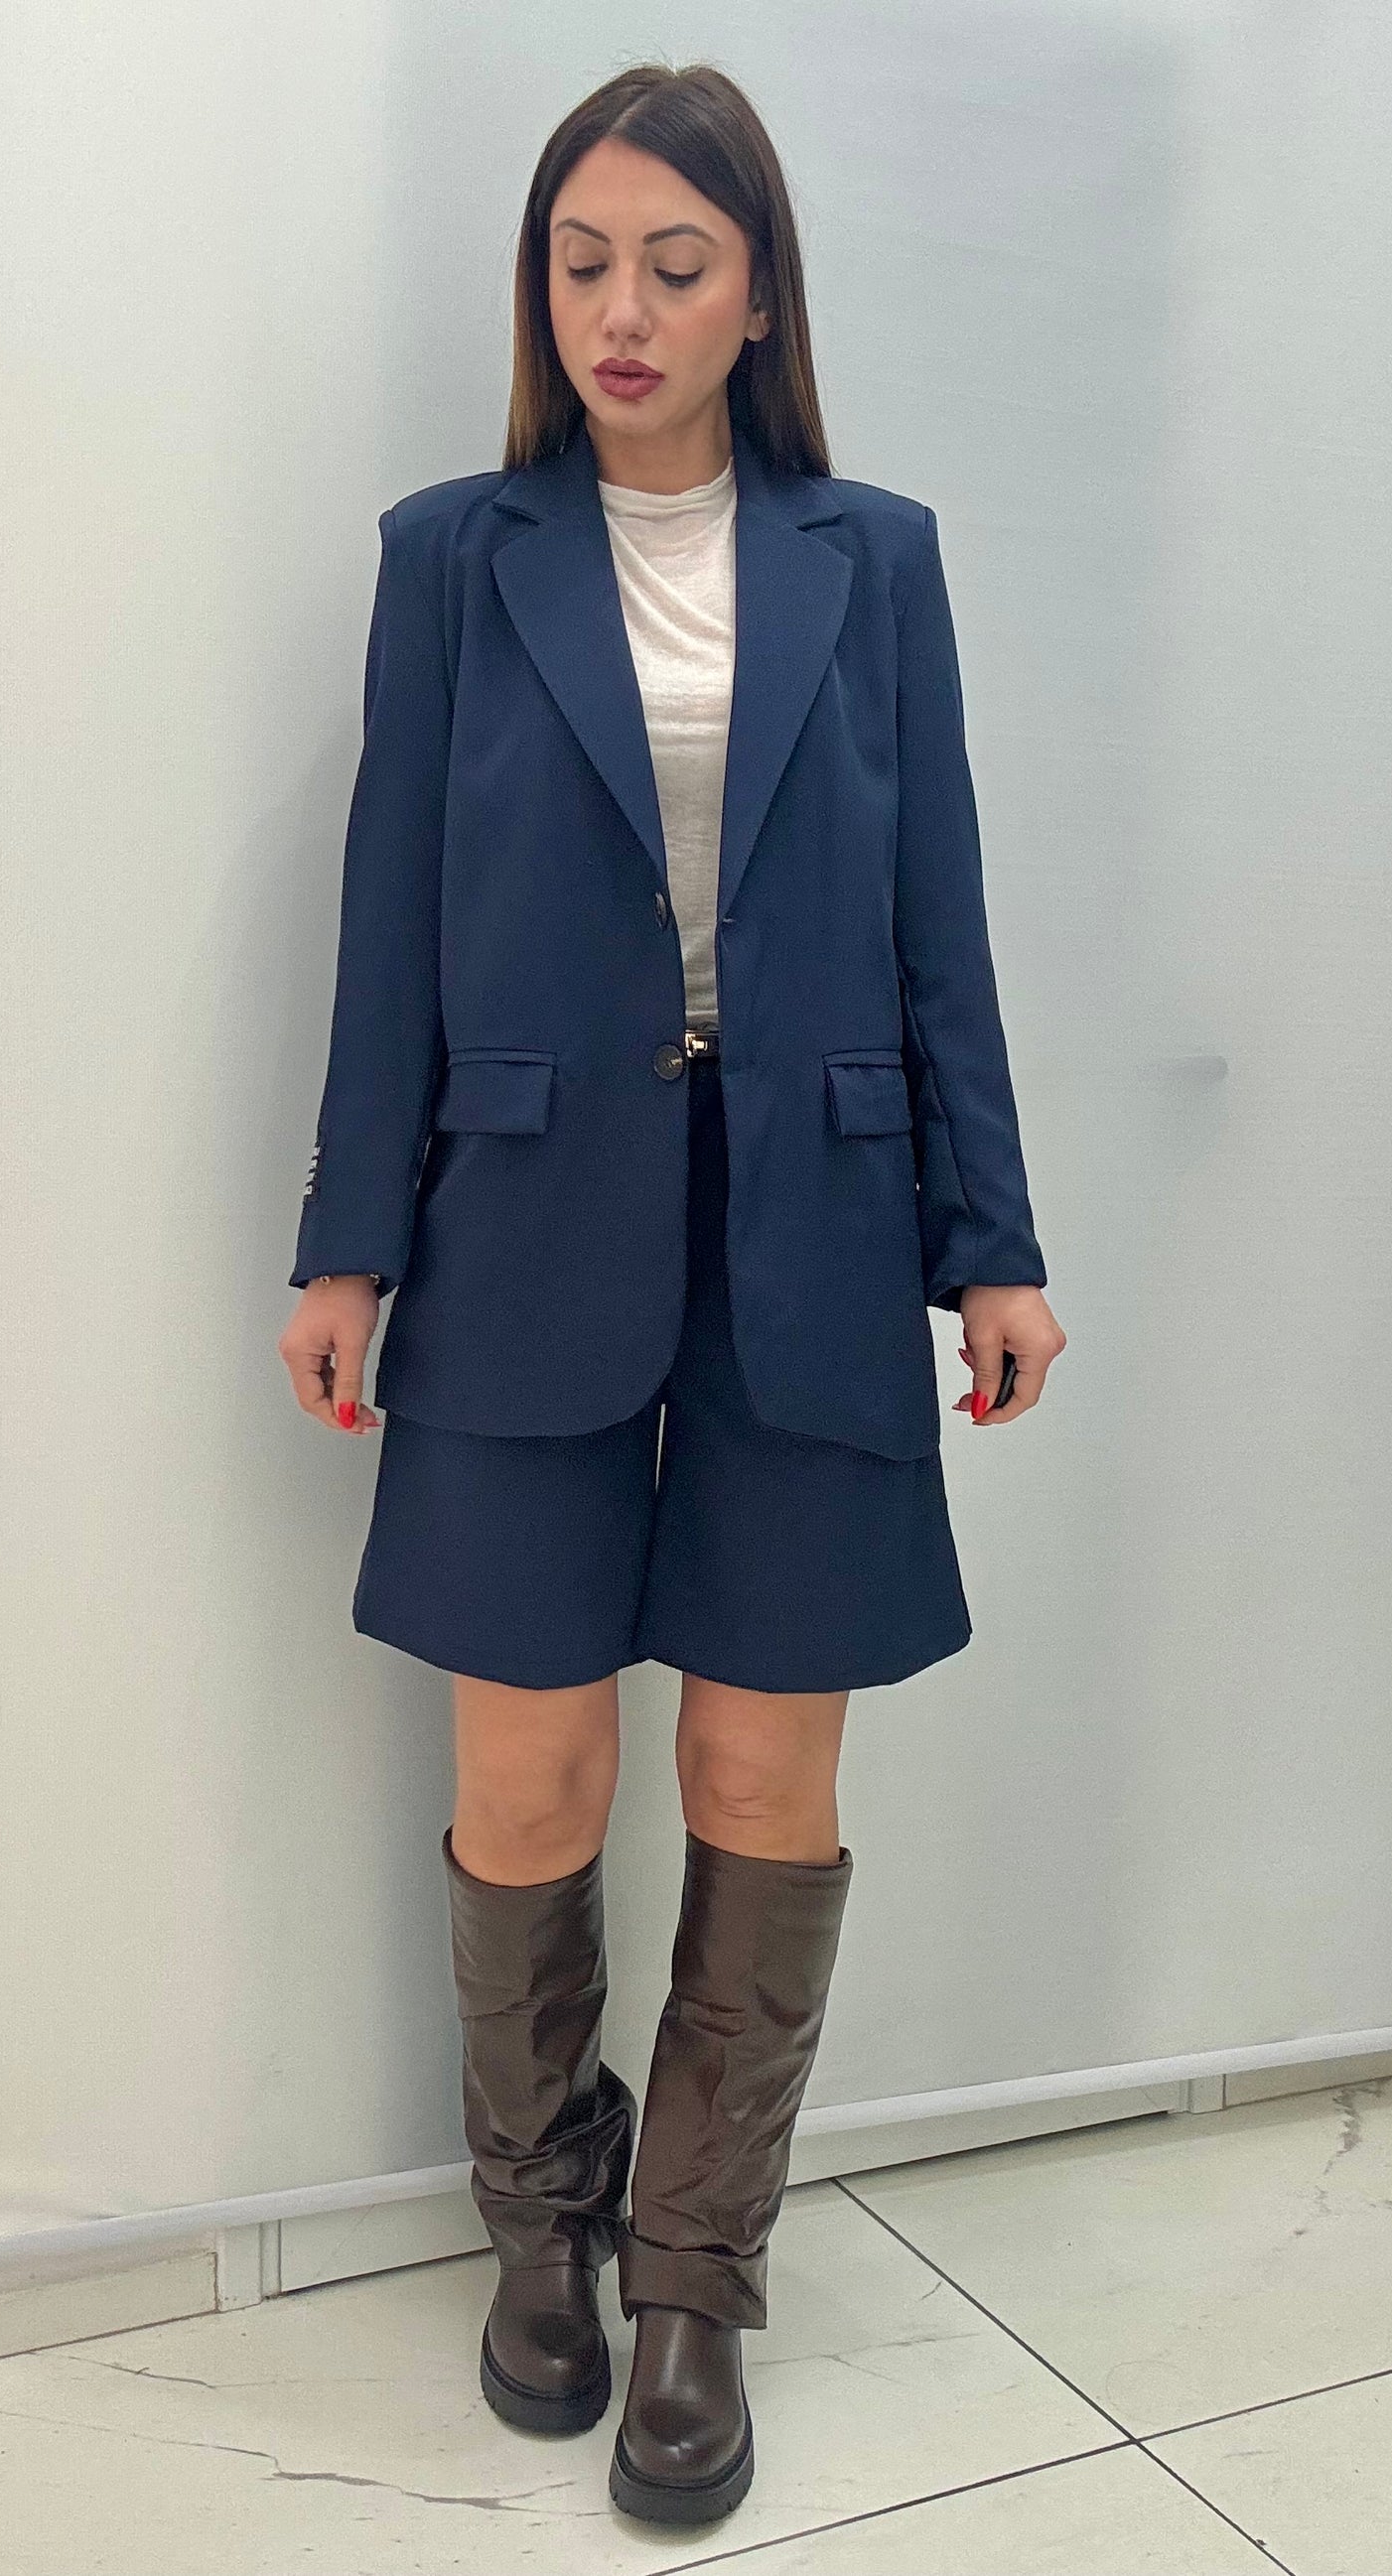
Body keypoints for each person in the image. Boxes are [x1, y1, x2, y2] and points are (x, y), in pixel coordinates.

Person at [277, 58, 1065, 2530]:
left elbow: (937, 918)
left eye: (674, 264)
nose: (619, 308)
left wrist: (992, 1231)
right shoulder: (451, 557)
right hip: (518, 1220)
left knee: (759, 1773)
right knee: (527, 1773)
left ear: (758, 298)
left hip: (814, 1222)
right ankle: (545, 2220)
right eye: (581, 261)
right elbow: (390, 918)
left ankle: (698, 2277)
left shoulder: (873, 560)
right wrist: (346, 1233)